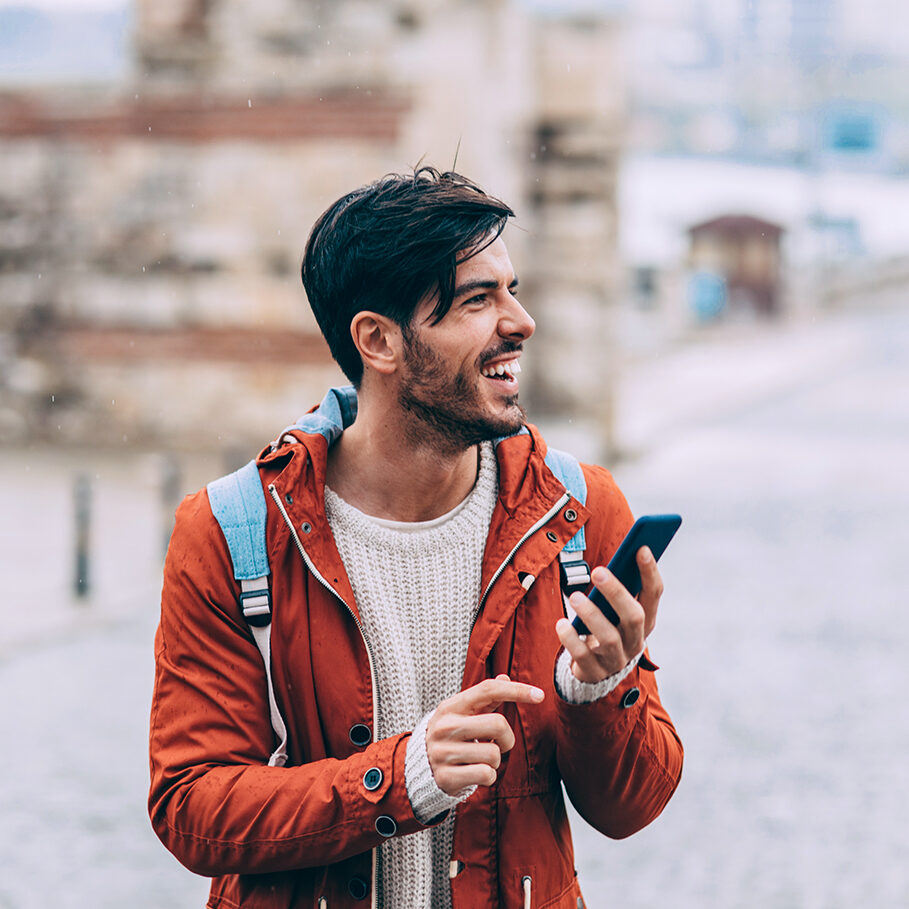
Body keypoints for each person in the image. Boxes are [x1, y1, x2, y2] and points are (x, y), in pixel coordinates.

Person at [148, 166, 683, 909]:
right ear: (378, 340)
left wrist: (599, 687)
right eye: (476, 299)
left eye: (512, 289)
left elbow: (632, 806)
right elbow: (192, 808)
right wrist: (395, 782)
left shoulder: (576, 510)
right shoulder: (231, 531)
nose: (519, 320)